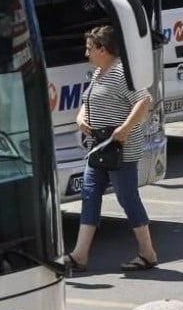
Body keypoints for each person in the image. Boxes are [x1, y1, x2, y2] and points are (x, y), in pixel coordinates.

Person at [65, 26, 158, 272]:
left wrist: (125, 129)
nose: (87, 54)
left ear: (102, 50)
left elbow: (144, 100)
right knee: (89, 194)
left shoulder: (122, 72)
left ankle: (147, 253)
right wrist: (81, 117)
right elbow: (87, 100)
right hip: (99, 146)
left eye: (89, 49)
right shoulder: (98, 73)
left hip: (120, 148)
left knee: (127, 197)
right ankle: (80, 254)